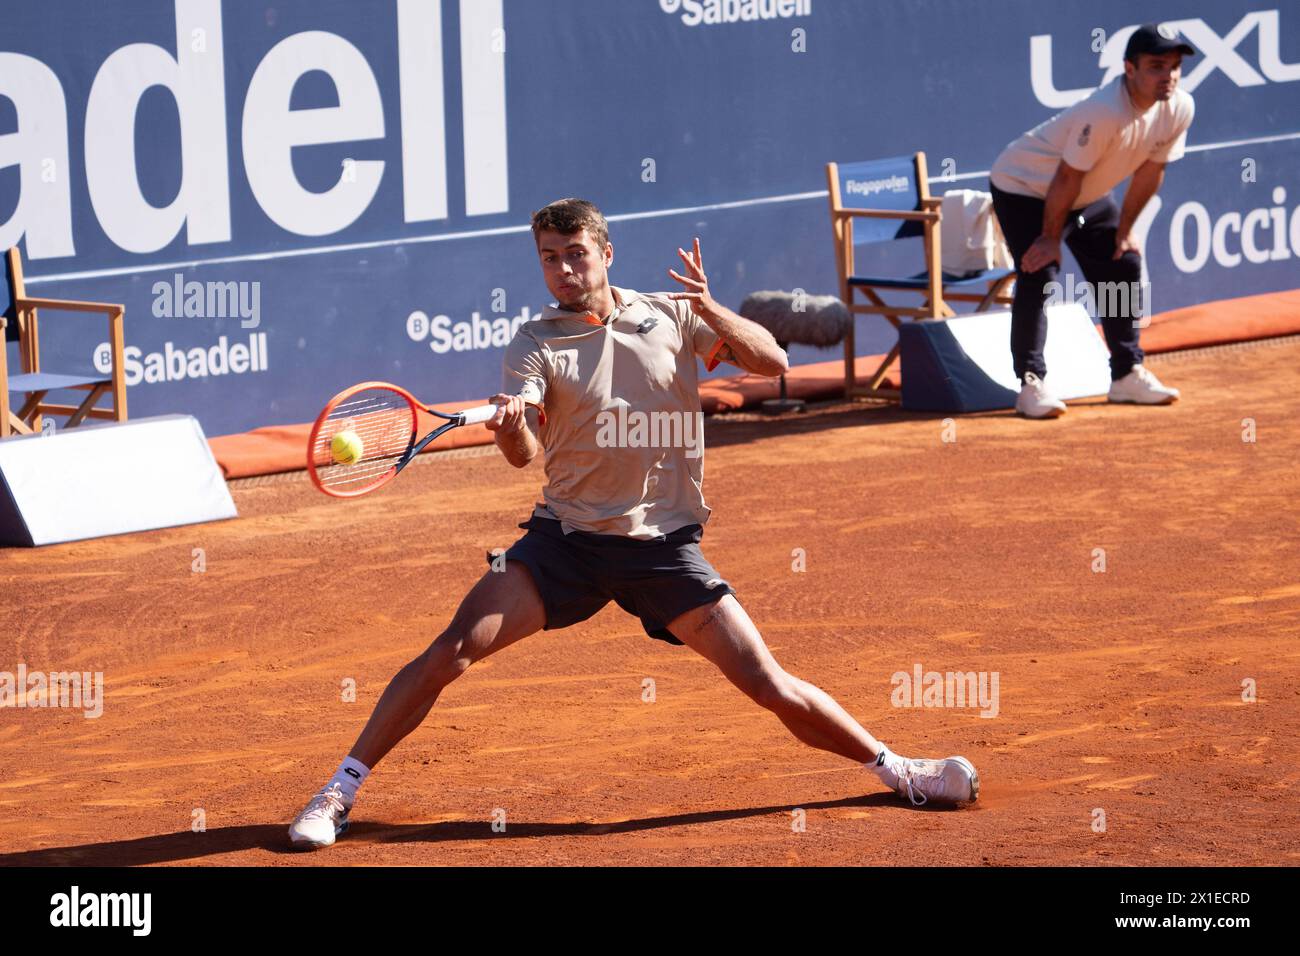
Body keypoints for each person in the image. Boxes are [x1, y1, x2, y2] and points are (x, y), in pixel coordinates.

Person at [287, 198, 979, 849]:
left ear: (607, 253)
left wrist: (710, 308)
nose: (563, 270)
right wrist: (510, 423)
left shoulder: (672, 316)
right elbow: (523, 456)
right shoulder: (534, 340)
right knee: (450, 651)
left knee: (767, 683)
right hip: (564, 543)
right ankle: (337, 793)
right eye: (549, 258)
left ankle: (901, 772)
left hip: (661, 549)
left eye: (575, 254)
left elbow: (774, 361)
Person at [989, 23, 1196, 419]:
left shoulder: (1179, 108)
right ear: (1129, 69)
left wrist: (1123, 231)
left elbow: (1151, 172)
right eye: (1156, 66)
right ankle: (1031, 383)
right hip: (1025, 188)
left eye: (1173, 67)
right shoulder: (1104, 112)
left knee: (1122, 262)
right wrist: (1050, 238)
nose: (1167, 76)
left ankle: (1125, 374)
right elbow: (1065, 178)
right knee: (1041, 270)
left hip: (1083, 194)